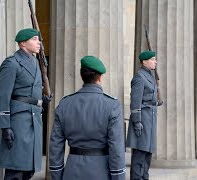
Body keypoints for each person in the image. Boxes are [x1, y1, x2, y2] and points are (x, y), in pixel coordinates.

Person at [49, 55, 126, 180]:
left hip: (71, 171)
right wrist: (118, 176)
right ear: (100, 77)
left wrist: (57, 175)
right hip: (101, 172)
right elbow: (116, 147)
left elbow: (55, 145)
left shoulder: (65, 104)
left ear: (82, 76)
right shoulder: (112, 105)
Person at [0, 28, 52, 180]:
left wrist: (41, 100)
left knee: (29, 170)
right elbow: (2, 95)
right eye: (34, 39)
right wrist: (5, 125)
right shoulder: (12, 64)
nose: (38, 42)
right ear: (23, 43)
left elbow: (30, 90)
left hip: (34, 120)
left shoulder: (35, 62)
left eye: (38, 39)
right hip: (19, 121)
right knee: (16, 170)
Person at [126, 50, 161, 180]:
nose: (155, 61)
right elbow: (135, 102)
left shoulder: (150, 76)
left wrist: (157, 100)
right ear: (144, 62)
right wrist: (137, 122)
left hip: (150, 120)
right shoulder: (139, 77)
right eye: (152, 59)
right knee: (140, 156)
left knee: (147, 155)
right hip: (143, 120)